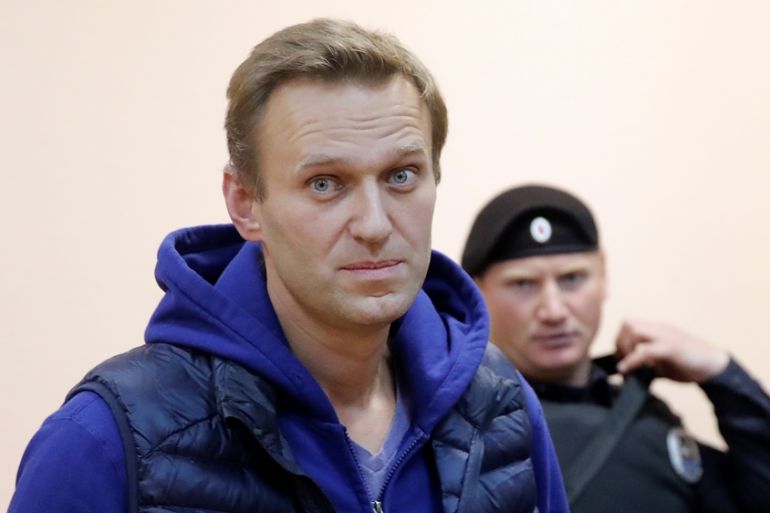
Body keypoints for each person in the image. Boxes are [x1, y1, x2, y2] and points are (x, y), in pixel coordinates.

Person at [9, 20, 569, 513]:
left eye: (401, 176)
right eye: (325, 184)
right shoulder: (110, 438)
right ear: (245, 203)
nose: (374, 224)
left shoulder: (499, 404)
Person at [461, 183, 770, 513]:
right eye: (523, 283)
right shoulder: (461, 431)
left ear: (603, 274)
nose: (554, 311)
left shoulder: (645, 417)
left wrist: (720, 373)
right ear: (475, 292)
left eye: (572, 278)